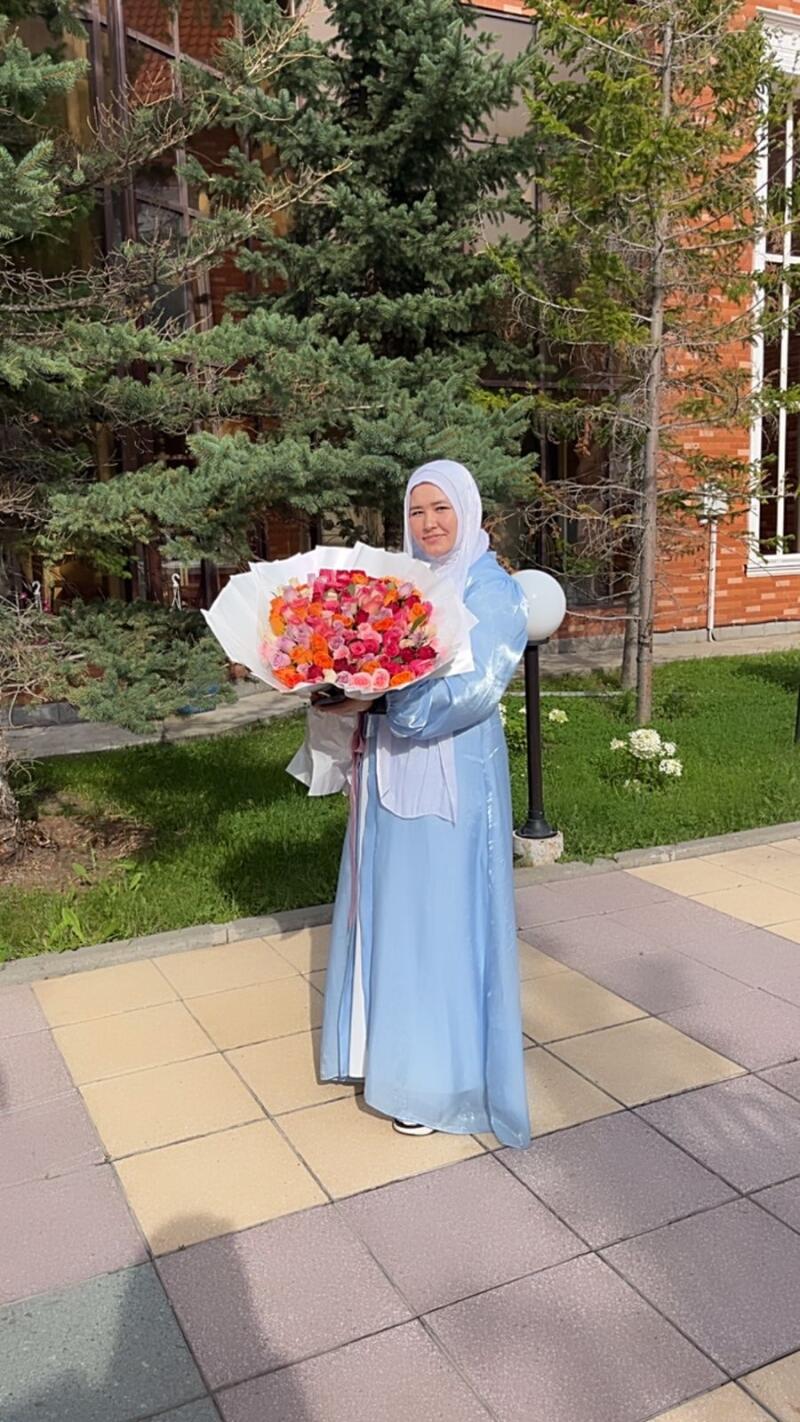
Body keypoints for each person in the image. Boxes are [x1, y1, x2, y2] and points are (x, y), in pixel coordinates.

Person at [314, 459, 531, 1148]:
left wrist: (384, 695)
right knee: (387, 914)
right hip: (387, 779)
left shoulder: (490, 592)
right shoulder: (401, 587)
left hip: (451, 786)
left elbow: (469, 694)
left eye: (442, 509)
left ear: (468, 512)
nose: (430, 523)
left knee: (436, 924)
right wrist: (337, 684)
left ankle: (433, 1081)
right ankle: (379, 1057)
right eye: (417, 510)